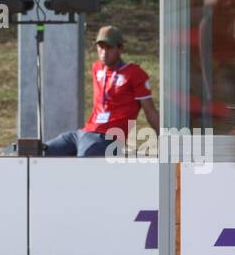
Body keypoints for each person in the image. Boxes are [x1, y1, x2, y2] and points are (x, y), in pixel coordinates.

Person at [44, 25, 159, 157]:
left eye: (109, 47)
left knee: (84, 159)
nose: (104, 52)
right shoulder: (97, 68)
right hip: (83, 133)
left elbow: (150, 112)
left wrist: (165, 141)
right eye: (101, 47)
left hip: (108, 137)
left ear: (120, 48)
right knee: (42, 151)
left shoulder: (135, 74)